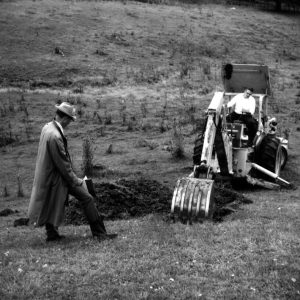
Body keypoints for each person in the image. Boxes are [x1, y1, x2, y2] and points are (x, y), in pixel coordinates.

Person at [28, 102, 117, 242]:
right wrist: (78, 181)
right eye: (70, 120)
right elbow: (64, 165)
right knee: (87, 198)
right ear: (64, 118)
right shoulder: (55, 137)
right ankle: (100, 234)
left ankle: (52, 235)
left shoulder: (47, 127)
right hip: (59, 177)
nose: (69, 123)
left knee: (51, 201)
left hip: (50, 175)